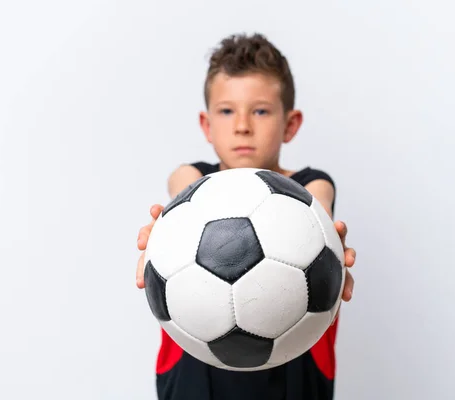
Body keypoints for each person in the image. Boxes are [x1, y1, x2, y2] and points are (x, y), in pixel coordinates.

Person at [135, 33, 357, 400]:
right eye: (226, 111)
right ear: (206, 125)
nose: (242, 126)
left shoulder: (310, 190)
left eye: (260, 110)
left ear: (290, 123)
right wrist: (169, 228)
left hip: (294, 380)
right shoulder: (191, 183)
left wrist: (330, 240)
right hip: (193, 382)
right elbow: (182, 184)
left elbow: (320, 202)